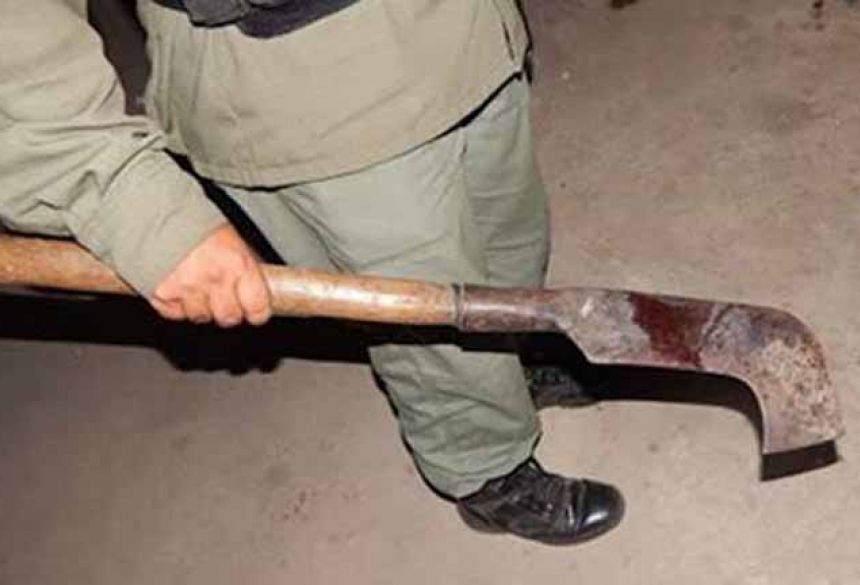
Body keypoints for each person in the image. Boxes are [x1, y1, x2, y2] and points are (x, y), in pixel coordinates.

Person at [0, 0, 623, 545]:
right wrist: (138, 211)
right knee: (430, 314)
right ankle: (486, 470)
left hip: (460, 28)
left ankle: (510, 369)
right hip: (302, 88)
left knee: (509, 231)